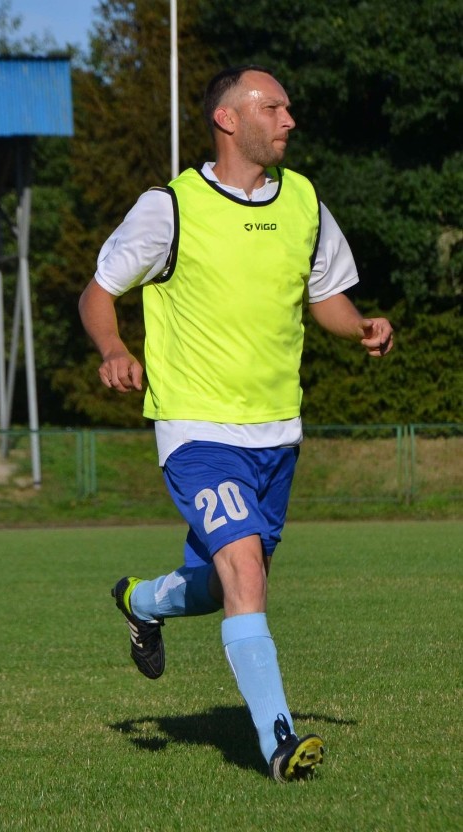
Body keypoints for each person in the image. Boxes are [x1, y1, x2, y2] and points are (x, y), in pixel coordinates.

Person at [79, 66, 393, 781]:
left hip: (277, 433)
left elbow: (327, 297)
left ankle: (141, 601)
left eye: (288, 106)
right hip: (197, 429)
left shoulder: (306, 201)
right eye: (273, 106)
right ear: (228, 119)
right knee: (245, 569)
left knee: (225, 584)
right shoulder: (172, 206)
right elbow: (98, 293)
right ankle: (279, 740)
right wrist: (114, 347)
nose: (289, 119)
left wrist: (360, 327)